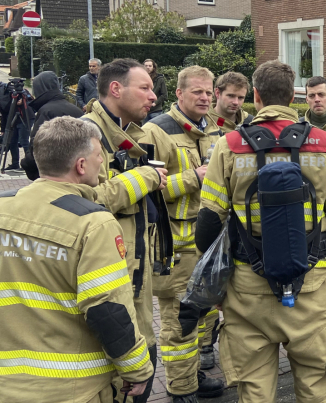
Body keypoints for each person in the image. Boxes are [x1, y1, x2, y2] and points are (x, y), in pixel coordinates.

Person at [196, 60, 326, 402]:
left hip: (247, 288)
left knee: (254, 392)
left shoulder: (229, 145)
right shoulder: (325, 142)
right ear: (293, 95)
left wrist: (219, 286)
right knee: (318, 389)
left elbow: (207, 225)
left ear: (255, 96)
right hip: (312, 285)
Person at [0, 117, 155, 402]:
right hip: (72, 387)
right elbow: (107, 310)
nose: (103, 164)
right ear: (81, 165)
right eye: (100, 157)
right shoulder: (93, 223)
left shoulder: (4, 207)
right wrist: (138, 370)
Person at [84, 58, 168, 403]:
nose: (153, 97)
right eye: (144, 88)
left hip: (135, 275)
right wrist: (145, 176)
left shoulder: (128, 133)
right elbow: (87, 200)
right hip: (114, 280)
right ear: (116, 89)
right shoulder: (88, 135)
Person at [142, 66, 224, 402]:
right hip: (174, 249)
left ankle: (192, 375)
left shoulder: (215, 130)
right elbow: (147, 192)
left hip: (208, 247)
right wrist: (195, 176)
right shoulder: (156, 131)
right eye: (197, 92)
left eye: (209, 92)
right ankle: (181, 389)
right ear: (178, 94)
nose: (205, 98)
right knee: (178, 324)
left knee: (201, 317)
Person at [22, 70, 84, 180]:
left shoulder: (46, 111)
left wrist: (26, 164)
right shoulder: (76, 110)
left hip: (52, 175)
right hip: (76, 171)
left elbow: (37, 146)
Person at [0, 78, 33, 172]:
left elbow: (30, 98)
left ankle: (29, 163)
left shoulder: (11, 91)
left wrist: (23, 100)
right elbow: (4, 114)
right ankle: (15, 164)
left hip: (25, 117)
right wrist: (3, 129)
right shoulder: (4, 96)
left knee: (24, 141)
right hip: (13, 119)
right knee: (12, 142)